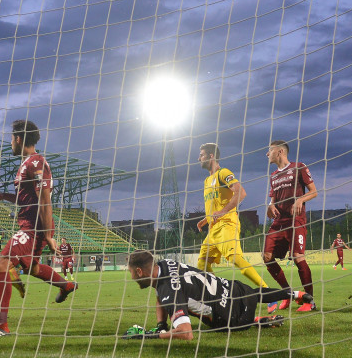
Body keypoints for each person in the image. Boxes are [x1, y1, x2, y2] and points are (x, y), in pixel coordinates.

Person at [0, 120, 77, 338]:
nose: (11, 143)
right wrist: (4, 196)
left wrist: (48, 236)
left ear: (18, 139)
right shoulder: (27, 163)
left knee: (2, 264)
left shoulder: (37, 162)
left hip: (34, 228)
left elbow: (44, 200)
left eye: (11, 139)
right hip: (31, 225)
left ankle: (0, 326)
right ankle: (67, 285)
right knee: (33, 269)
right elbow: (29, 198)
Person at [122, 251, 311, 340]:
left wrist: (152, 336)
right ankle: (296, 294)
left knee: (215, 322)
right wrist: (161, 326)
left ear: (139, 271)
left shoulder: (169, 292)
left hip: (231, 319)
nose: (131, 277)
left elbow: (186, 333)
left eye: (130, 272)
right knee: (254, 293)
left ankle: (255, 321)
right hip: (235, 289)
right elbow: (158, 293)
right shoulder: (165, 264)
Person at [195, 143, 268, 289]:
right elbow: (216, 203)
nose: (199, 159)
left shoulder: (223, 173)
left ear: (211, 156)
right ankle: (219, 292)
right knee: (202, 263)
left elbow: (241, 192)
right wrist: (206, 218)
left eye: (201, 155)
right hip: (213, 229)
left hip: (227, 224)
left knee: (235, 259)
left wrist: (222, 212)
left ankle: (266, 291)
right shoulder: (206, 181)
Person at [263, 140, 318, 312]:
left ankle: (310, 301)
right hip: (278, 222)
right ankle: (287, 294)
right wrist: (270, 206)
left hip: (296, 221)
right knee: (267, 257)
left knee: (297, 256)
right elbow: (273, 201)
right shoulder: (273, 176)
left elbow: (314, 191)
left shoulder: (299, 167)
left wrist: (300, 199)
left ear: (279, 152)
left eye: (269, 150)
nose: (267, 154)